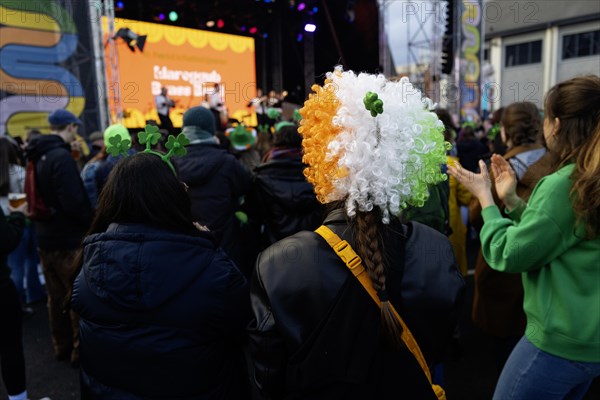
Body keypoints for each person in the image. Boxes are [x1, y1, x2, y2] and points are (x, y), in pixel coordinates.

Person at [248, 68, 465, 399]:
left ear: (326, 158)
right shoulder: (436, 248)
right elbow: (443, 339)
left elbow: (266, 375)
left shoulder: (277, 263)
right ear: (408, 161)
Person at [448, 75, 600, 399]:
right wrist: (514, 203)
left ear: (556, 124)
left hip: (556, 342)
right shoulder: (589, 179)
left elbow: (509, 252)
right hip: (590, 345)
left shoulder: (563, 185)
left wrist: (486, 197)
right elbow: (563, 235)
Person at [71, 148, 251, 399]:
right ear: (172, 196)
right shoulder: (212, 270)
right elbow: (242, 325)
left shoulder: (88, 270)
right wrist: (208, 244)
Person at [24, 109, 93, 367]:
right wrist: (91, 222)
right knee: (74, 295)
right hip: (67, 239)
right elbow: (74, 203)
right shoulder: (60, 157)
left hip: (44, 237)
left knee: (54, 299)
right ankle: (79, 350)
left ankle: (60, 345)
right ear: (71, 128)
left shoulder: (35, 154)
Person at [175, 106, 252, 274]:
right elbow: (248, 188)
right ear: (211, 129)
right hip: (224, 248)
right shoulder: (227, 162)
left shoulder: (171, 164)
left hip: (183, 251)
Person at [246, 123, 324, 250]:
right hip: (315, 244)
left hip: (275, 246)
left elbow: (255, 214)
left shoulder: (261, 176)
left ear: (276, 142)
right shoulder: (319, 174)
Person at [0, 138, 45, 310]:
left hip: (5, 223)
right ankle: (27, 299)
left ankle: (19, 303)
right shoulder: (18, 172)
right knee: (27, 261)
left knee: (14, 266)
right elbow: (22, 200)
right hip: (19, 220)